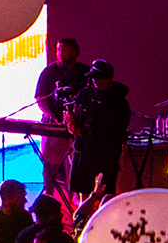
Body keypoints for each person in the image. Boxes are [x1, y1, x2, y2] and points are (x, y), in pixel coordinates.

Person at [35, 36, 91, 201]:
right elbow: (40, 98)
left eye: (64, 49)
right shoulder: (49, 72)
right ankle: (48, 196)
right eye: (58, 49)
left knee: (78, 163)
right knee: (50, 163)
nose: (60, 53)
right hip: (55, 124)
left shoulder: (85, 72)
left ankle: (78, 198)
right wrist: (53, 116)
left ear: (74, 52)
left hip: (79, 125)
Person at [67, 59, 131, 199]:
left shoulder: (118, 102)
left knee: (106, 194)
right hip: (84, 151)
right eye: (93, 78)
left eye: (98, 77)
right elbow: (77, 118)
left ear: (108, 78)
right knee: (83, 192)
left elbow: (117, 129)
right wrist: (72, 123)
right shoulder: (84, 95)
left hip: (105, 154)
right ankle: (83, 218)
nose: (94, 81)